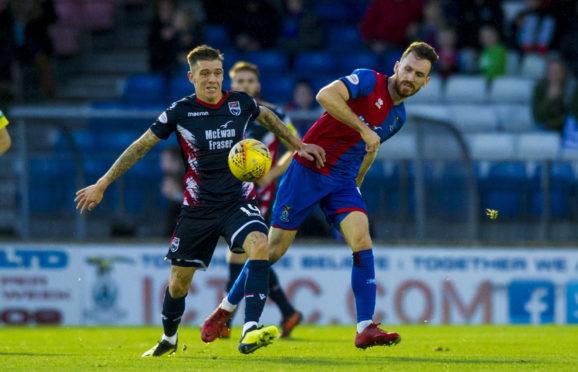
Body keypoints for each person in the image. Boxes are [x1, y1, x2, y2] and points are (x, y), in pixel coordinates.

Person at [74, 45, 325, 356]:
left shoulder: (240, 103)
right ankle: (168, 339)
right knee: (178, 284)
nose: (212, 79)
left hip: (237, 201)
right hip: (198, 209)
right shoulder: (180, 111)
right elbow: (140, 146)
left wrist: (298, 145)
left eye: (217, 73)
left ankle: (250, 329)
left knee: (259, 245)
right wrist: (102, 183)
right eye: (205, 73)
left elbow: (270, 118)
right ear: (191, 76)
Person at [203, 41, 438, 349]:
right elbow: (324, 95)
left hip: (342, 181)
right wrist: (363, 128)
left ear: (426, 81)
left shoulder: (399, 117)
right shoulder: (369, 80)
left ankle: (365, 327)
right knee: (272, 251)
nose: (410, 77)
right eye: (407, 69)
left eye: (418, 74)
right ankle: (224, 311)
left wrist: (359, 181)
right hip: (309, 169)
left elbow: (370, 148)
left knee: (362, 240)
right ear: (397, 66)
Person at [221, 61, 302, 339]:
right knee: (251, 255)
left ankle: (227, 320)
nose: (244, 85)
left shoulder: (273, 113)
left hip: (260, 193)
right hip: (233, 190)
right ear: (232, 85)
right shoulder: (224, 113)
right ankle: (288, 310)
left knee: (240, 252)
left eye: (249, 81)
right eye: (239, 81)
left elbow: (296, 146)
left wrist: (273, 174)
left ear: (257, 85)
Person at [531, 58, 578, 132]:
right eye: (551, 72)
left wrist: (550, 124)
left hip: (567, 129)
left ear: (564, 73)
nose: (554, 76)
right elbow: (537, 117)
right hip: (543, 128)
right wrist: (550, 99)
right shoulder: (540, 88)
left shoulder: (572, 88)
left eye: (557, 72)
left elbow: (572, 115)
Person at [159, 146, 184, 236]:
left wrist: (176, 195)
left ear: (177, 161)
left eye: (165, 161)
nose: (162, 165)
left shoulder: (189, 177)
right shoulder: (169, 179)